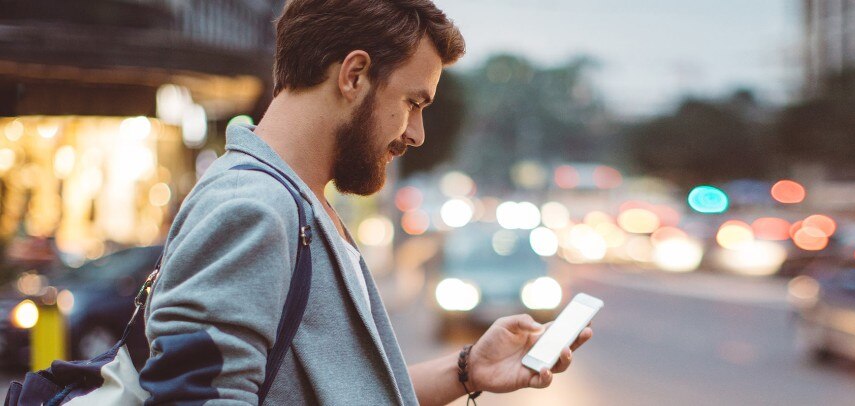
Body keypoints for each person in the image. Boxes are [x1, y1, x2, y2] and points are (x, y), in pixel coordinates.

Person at [140, 0, 592, 404]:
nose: (417, 134)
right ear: (354, 76)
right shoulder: (252, 209)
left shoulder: (298, 203)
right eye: (412, 103)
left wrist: (468, 369)